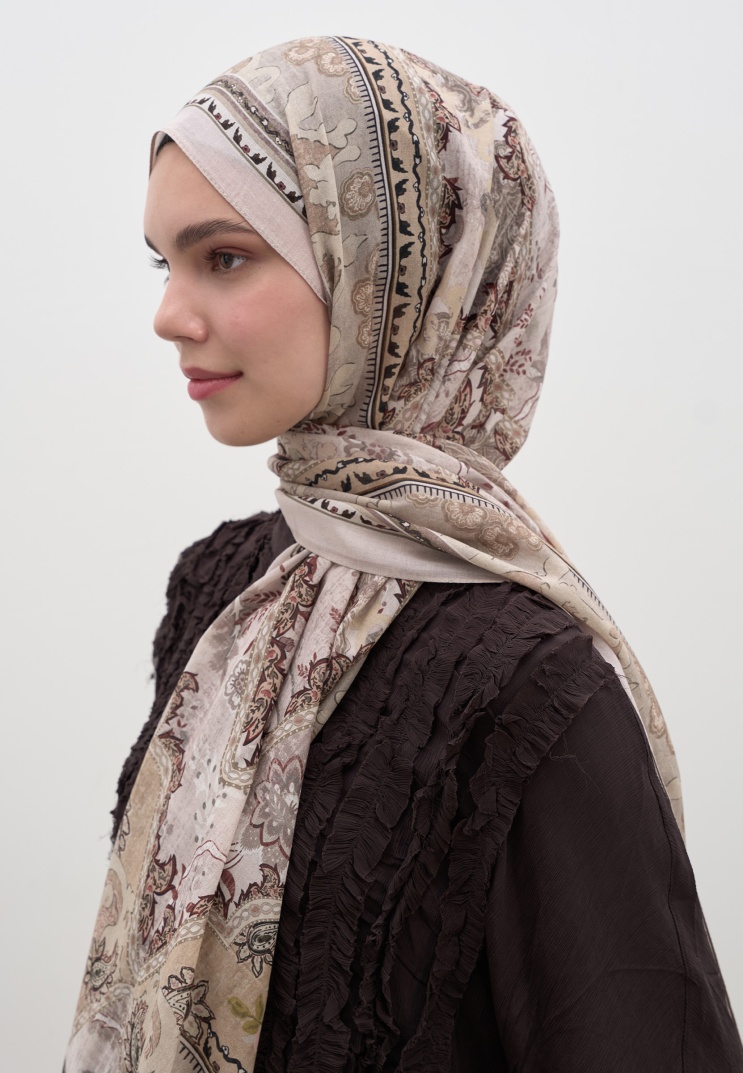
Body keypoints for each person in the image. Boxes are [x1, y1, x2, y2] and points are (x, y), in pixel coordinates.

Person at [65, 35, 743, 1073]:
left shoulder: (525, 685)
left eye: (225, 257)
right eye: (166, 262)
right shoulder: (220, 590)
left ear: (392, 278)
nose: (168, 314)